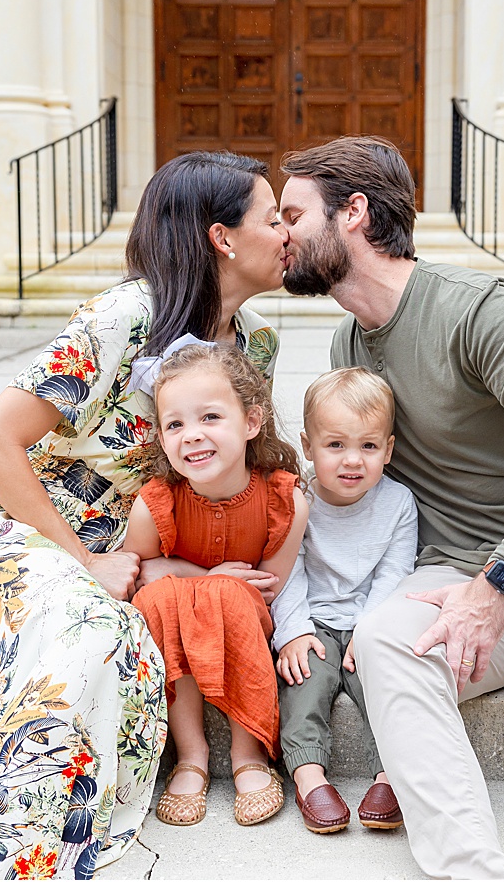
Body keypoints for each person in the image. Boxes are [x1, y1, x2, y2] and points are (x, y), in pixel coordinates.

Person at [0, 152, 289, 878]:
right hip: (34, 530)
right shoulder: (122, 318)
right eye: (273, 217)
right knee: (93, 634)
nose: (288, 231)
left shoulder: (258, 343)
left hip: (149, 544)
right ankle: (31, 842)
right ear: (223, 238)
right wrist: (83, 560)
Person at [278, 135, 504, 878]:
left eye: (292, 213)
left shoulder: (475, 308)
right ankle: (475, 870)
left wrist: (503, 580)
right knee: (388, 639)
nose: (278, 231)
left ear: (353, 212)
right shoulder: (346, 349)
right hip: (452, 576)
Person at [123, 343, 308, 827]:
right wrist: (206, 577)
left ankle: (248, 751)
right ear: (161, 438)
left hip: (245, 621)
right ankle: (191, 753)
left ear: (251, 422)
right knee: (164, 598)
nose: (193, 435)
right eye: (175, 424)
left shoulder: (282, 500)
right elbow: (140, 573)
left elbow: (266, 585)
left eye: (210, 416)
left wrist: (212, 586)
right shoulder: (156, 504)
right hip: (173, 626)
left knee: (227, 593)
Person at [271, 367, 416, 835]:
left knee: (386, 688)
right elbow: (286, 570)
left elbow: (395, 574)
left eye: (369, 447)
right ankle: (309, 774)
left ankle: (389, 775)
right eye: (335, 445)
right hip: (311, 621)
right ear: (308, 446)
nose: (352, 460)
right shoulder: (298, 499)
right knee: (304, 684)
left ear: (388, 450)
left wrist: (372, 631)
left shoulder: (397, 503)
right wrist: (293, 631)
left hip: (371, 620)